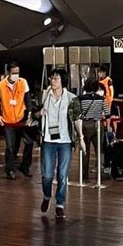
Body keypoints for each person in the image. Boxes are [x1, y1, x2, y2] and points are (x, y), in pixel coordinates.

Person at [38, 71, 84, 217]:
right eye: (51, 78)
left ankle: (60, 203)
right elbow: (34, 113)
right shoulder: (45, 96)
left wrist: (81, 137)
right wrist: (39, 113)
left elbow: (77, 118)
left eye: (56, 78)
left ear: (62, 81)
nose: (53, 81)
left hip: (65, 140)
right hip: (48, 140)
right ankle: (46, 196)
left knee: (62, 175)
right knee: (47, 174)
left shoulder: (72, 98)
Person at [0, 62, 31, 179]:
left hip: (21, 119)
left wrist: (30, 113)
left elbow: (27, 99)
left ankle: (25, 166)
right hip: (8, 121)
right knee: (10, 147)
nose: (16, 75)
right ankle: (10, 169)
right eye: (14, 72)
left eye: (18, 72)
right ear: (8, 72)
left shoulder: (23, 82)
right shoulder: (0, 86)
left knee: (29, 142)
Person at [79, 67, 105, 181]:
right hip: (97, 124)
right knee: (99, 149)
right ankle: (100, 171)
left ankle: (84, 173)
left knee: (85, 150)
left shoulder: (81, 98)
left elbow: (78, 112)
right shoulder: (100, 98)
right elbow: (107, 112)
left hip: (85, 125)